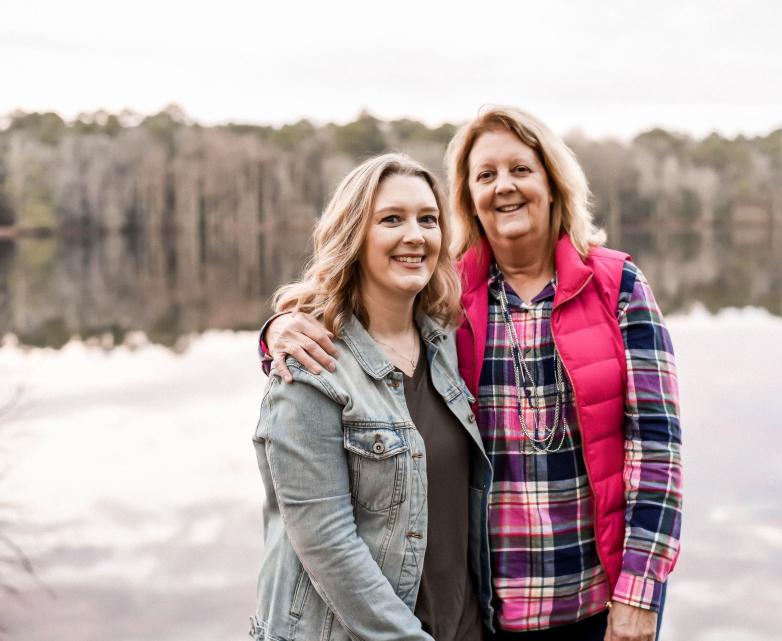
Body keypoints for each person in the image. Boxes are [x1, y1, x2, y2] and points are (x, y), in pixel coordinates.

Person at [262, 107, 682, 641]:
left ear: (553, 183)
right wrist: (279, 330)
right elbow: (359, 336)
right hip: (491, 611)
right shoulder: (448, 297)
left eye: (521, 170)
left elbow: (658, 451)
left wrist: (640, 595)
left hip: (597, 606)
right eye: (485, 175)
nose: (504, 187)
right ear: (469, 199)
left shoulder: (617, 285)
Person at [251, 153, 493, 641]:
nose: (415, 236)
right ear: (354, 236)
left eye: (428, 219)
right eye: (391, 220)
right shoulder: (311, 370)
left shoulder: (446, 343)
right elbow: (327, 544)